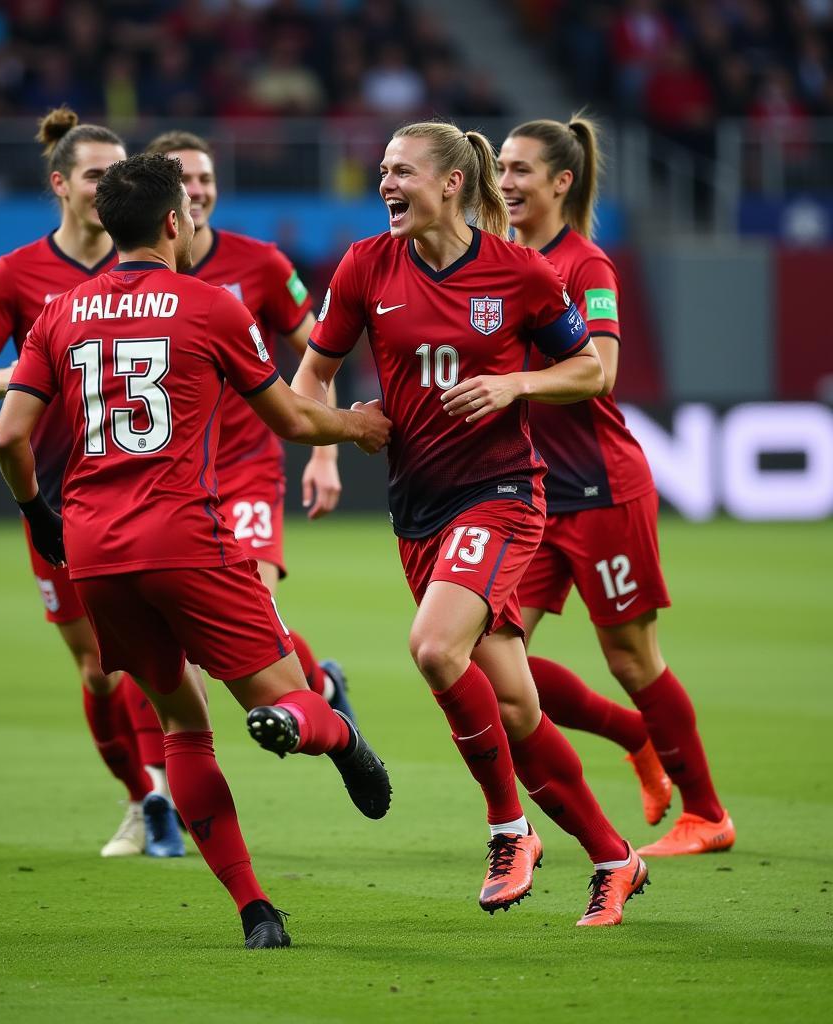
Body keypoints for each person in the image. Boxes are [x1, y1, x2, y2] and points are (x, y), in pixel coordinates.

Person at [0, 152, 393, 949]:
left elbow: (9, 436)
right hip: (186, 537)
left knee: (181, 724)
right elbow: (290, 418)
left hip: (95, 552)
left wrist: (39, 516)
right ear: (175, 222)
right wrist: (358, 425)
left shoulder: (60, 312)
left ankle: (254, 910)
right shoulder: (210, 306)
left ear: (107, 223)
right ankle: (337, 733)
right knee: (285, 695)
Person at [297, 121, 649, 926]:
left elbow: (593, 368)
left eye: (402, 171)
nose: (385, 183)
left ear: (452, 182)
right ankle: (613, 857)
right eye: (381, 170)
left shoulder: (519, 271)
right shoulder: (364, 266)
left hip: (501, 493)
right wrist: (331, 441)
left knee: (432, 647)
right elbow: (312, 376)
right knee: (516, 707)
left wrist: (515, 386)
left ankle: (508, 829)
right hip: (417, 508)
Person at [498, 115, 734, 857]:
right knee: (488, 656)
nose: (504, 182)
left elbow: (601, 370)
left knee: (632, 658)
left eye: (520, 170)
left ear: (561, 181)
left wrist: (515, 385)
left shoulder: (585, 266)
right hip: (531, 494)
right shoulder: (499, 260)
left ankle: (707, 815)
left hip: (602, 489)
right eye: (499, 168)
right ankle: (634, 733)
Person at [0, 108, 183, 860]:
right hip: (57, 499)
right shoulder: (19, 273)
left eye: (117, 173)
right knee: (98, 666)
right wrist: (36, 374)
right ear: (60, 183)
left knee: (158, 656)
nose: (107, 185)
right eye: (94, 174)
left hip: (145, 491)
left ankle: (169, 794)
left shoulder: (149, 264)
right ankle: (140, 798)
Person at [144, 130, 355, 722]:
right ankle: (323, 690)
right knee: (182, 631)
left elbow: (320, 353)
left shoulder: (259, 262)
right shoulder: (133, 274)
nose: (199, 191)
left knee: (252, 606)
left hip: (244, 467)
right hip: (170, 480)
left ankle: (309, 705)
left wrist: (324, 454)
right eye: (185, 180)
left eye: (207, 179)